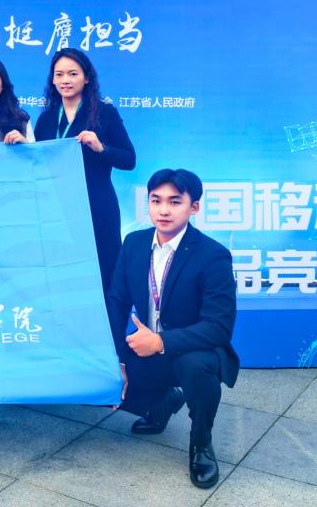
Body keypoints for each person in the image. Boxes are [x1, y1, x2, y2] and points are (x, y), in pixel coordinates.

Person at [106, 169, 238, 490]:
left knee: (196, 367)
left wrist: (160, 341)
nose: (163, 210)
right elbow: (116, 303)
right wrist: (115, 359)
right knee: (97, 378)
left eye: (175, 202)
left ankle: (201, 443)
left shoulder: (213, 255)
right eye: (156, 201)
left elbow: (218, 328)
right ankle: (163, 401)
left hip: (191, 350)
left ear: (194, 207)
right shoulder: (134, 243)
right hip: (145, 347)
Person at [34, 48, 135, 291]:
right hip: (57, 207)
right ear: (52, 80)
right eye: (59, 74)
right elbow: (36, 162)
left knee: (104, 269)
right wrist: (22, 146)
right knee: (62, 270)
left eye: (73, 73)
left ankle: (109, 317)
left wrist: (102, 148)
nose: (65, 80)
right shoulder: (47, 118)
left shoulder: (105, 113)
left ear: (87, 78)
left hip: (97, 205)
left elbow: (129, 160)